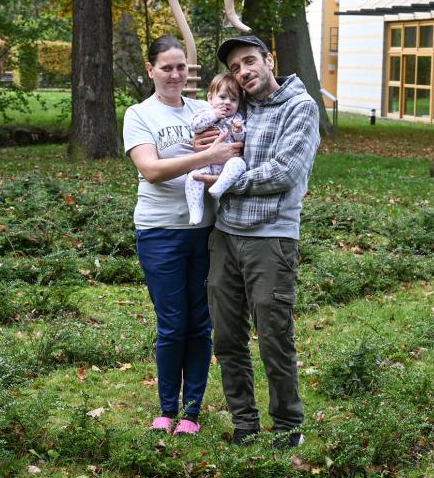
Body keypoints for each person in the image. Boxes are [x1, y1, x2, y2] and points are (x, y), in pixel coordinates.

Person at [192, 35, 321, 448]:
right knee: (227, 337)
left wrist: (227, 182)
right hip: (226, 237)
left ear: (269, 60)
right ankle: (244, 423)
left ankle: (288, 426)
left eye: (249, 62)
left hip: (271, 238)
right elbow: (212, 131)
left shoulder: (301, 108)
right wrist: (201, 148)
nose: (243, 72)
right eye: (235, 68)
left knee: (273, 335)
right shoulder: (240, 105)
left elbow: (285, 173)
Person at [122, 35, 243, 436]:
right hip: (160, 232)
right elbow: (152, 170)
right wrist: (208, 156)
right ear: (151, 69)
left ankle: (191, 412)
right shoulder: (139, 115)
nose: (174, 74)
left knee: (200, 324)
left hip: (205, 232)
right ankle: (166, 408)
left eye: (181, 67)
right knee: (172, 323)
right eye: (166, 67)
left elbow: (238, 123)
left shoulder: (203, 108)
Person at [185, 74, 247, 225]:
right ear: (210, 98)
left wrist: (238, 131)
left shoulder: (237, 119)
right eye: (222, 97)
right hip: (207, 166)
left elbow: (241, 140)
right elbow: (196, 126)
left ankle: (219, 187)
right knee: (192, 178)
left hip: (227, 166)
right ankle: (195, 210)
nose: (227, 102)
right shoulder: (204, 114)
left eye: (233, 99)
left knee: (239, 164)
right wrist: (214, 115)